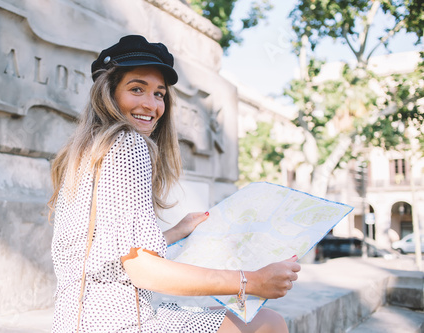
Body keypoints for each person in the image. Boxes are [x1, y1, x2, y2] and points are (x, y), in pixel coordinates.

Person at [48, 35, 300, 333]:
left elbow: (105, 255)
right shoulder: (128, 145)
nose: (151, 104)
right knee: (267, 323)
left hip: (75, 322)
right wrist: (251, 280)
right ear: (109, 93)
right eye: (136, 89)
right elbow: (142, 270)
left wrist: (175, 232)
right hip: (122, 324)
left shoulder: (85, 152)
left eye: (159, 94)